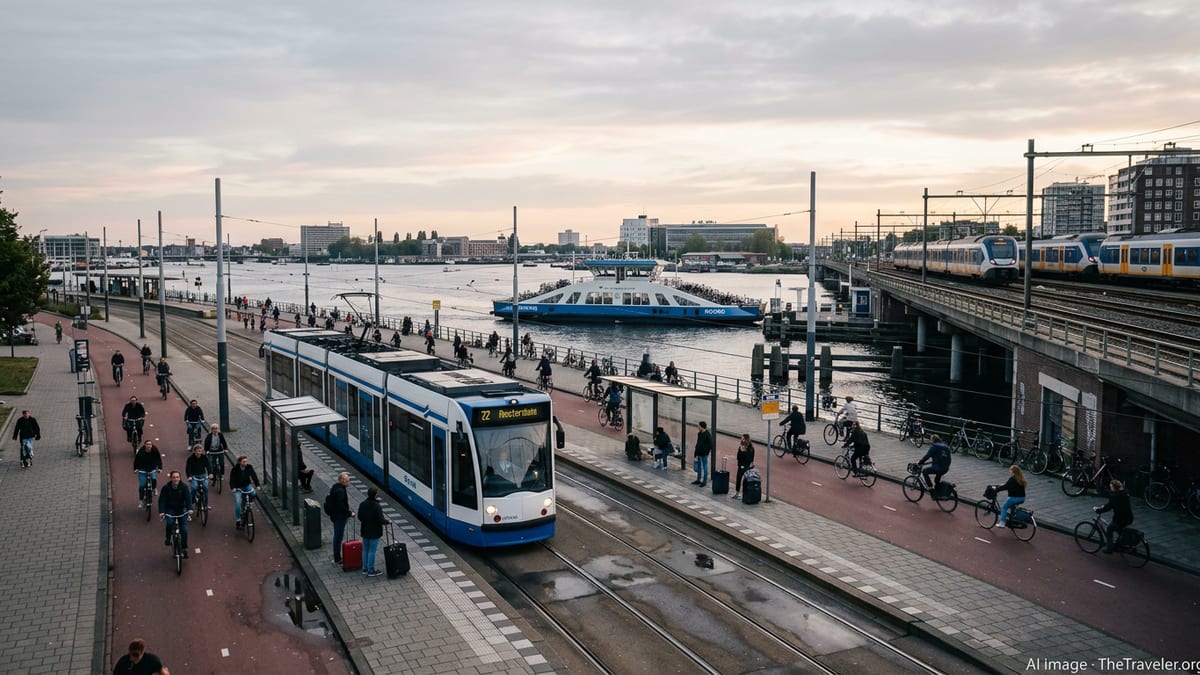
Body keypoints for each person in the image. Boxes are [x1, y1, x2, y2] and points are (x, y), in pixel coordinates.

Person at [158, 470, 193, 554]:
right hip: (170, 509)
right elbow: (161, 500)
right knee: (169, 523)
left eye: (177, 477)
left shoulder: (184, 487)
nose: (176, 479)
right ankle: (168, 538)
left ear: (180, 478)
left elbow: (188, 499)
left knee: (184, 529)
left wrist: (189, 509)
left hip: (181, 509)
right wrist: (162, 511)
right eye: (174, 477)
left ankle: (184, 548)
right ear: (171, 478)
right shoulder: (166, 488)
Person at [357, 487, 390, 577]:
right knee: (372, 551)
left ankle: (364, 569)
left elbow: (359, 517)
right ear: (375, 495)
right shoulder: (376, 506)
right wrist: (388, 522)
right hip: (374, 531)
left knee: (365, 550)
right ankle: (371, 570)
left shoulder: (362, 504)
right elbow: (380, 520)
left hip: (365, 530)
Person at [1095, 479, 1133, 553]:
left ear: (1114, 488)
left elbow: (1108, 507)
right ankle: (1121, 541)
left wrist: (1098, 510)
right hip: (1129, 517)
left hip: (1120, 519)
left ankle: (1110, 549)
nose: (1110, 488)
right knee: (1120, 530)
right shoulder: (1125, 494)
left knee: (1109, 529)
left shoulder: (1115, 497)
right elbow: (1113, 505)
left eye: (1111, 487)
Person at [327, 472, 355, 565]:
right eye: (347, 481)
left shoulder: (336, 487)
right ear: (341, 480)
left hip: (335, 516)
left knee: (337, 537)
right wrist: (350, 513)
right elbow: (340, 506)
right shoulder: (341, 491)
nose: (348, 482)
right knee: (338, 537)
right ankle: (337, 558)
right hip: (339, 517)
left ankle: (337, 557)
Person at [229, 455, 261, 529]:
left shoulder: (249, 467)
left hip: (246, 485)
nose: (246, 463)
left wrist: (257, 485)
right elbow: (232, 479)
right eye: (244, 461)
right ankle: (238, 520)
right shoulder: (235, 469)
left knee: (253, 493)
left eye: (246, 461)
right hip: (238, 487)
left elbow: (254, 475)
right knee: (238, 502)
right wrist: (233, 487)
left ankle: (249, 502)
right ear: (240, 462)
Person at [133, 440, 164, 506]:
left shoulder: (155, 450)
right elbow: (136, 460)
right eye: (147, 444)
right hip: (143, 469)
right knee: (142, 486)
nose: (149, 446)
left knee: (153, 478)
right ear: (145, 445)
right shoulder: (141, 452)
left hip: (152, 468)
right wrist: (135, 469)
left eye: (150, 444)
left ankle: (154, 488)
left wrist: (160, 468)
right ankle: (141, 500)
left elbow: (158, 459)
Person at [185, 444, 210, 510]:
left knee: (206, 488)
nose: (200, 453)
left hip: (203, 475)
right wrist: (189, 476)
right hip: (194, 476)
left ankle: (206, 505)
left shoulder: (204, 457)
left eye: (201, 451)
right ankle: (192, 501)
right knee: (194, 488)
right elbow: (188, 469)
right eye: (198, 451)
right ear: (194, 451)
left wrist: (210, 473)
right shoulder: (190, 459)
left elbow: (208, 466)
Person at [733, 433, 755, 499]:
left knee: (746, 480)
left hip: (746, 466)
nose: (741, 440)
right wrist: (741, 451)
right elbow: (738, 457)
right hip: (740, 466)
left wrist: (743, 452)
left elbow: (750, 458)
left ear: (746, 439)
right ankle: (737, 493)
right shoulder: (741, 446)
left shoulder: (751, 448)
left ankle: (745, 493)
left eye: (743, 439)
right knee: (738, 479)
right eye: (741, 438)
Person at [692, 421, 713, 487]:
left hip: (704, 454)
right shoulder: (699, 433)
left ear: (701, 427)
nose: (698, 427)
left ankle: (704, 482)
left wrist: (706, 452)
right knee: (698, 466)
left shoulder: (707, 434)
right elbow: (698, 444)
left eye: (698, 426)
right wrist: (695, 453)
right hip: (699, 453)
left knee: (705, 467)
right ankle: (698, 480)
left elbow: (711, 445)